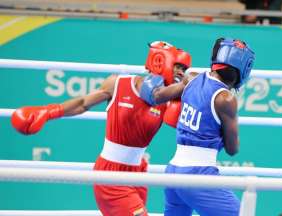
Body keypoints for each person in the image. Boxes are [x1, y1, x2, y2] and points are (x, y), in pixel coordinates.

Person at [10, 41, 191, 216]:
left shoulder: (169, 98)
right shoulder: (119, 84)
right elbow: (82, 104)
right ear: (160, 60)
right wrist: (49, 112)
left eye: (184, 70)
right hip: (110, 174)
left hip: (137, 171)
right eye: (178, 67)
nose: (181, 73)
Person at [158, 38, 255, 216]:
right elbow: (233, 149)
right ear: (241, 69)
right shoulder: (225, 99)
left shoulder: (191, 78)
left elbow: (159, 96)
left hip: (172, 170)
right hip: (198, 175)